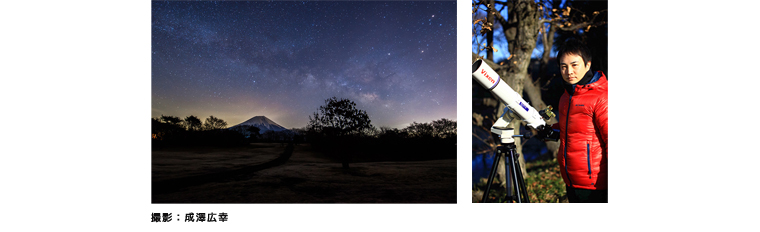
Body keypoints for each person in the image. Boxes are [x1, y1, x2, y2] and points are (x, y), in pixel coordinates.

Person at [551, 38, 608, 203]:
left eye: (574, 65)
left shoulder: (602, 97)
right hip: (570, 180)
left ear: (588, 65)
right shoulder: (566, 96)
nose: (569, 71)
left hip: (596, 185)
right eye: (564, 66)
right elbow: (573, 129)